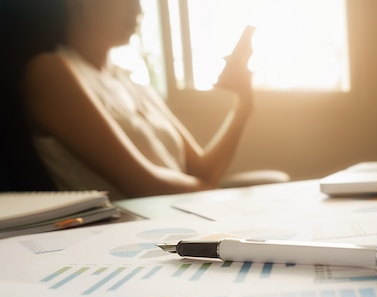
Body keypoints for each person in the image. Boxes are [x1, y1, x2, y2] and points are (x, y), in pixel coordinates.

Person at [15, 0, 259, 199]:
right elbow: (146, 187)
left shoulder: (135, 84)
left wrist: (243, 105)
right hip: (128, 237)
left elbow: (203, 171)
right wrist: (209, 193)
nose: (138, 10)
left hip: (183, 216)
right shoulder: (49, 72)